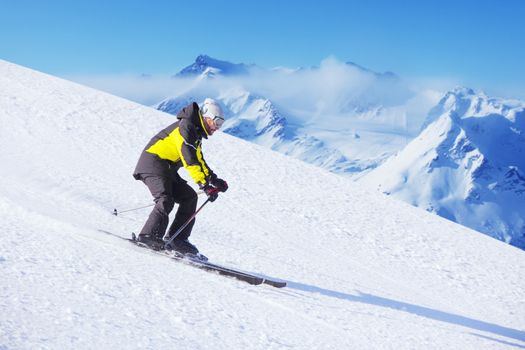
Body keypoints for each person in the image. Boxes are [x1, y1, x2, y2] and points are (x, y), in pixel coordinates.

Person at [132, 98, 228, 255]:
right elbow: (189, 160)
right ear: (206, 117)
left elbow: (199, 159)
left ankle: (178, 239)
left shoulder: (194, 131)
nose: (217, 128)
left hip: (166, 168)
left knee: (189, 197)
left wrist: (213, 179)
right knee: (165, 199)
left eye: (221, 124)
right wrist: (204, 185)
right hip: (152, 162)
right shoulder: (186, 128)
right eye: (216, 123)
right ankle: (148, 236)